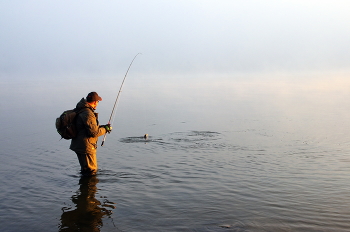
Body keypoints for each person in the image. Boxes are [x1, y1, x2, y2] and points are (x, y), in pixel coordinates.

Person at [70, 92, 112, 176]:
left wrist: (103, 127)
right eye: (98, 102)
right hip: (86, 147)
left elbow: (88, 127)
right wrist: (106, 129)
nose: (98, 104)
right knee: (91, 171)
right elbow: (94, 132)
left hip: (79, 144)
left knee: (86, 170)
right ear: (95, 102)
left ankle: (84, 187)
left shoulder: (81, 109)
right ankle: (89, 188)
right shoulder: (88, 114)